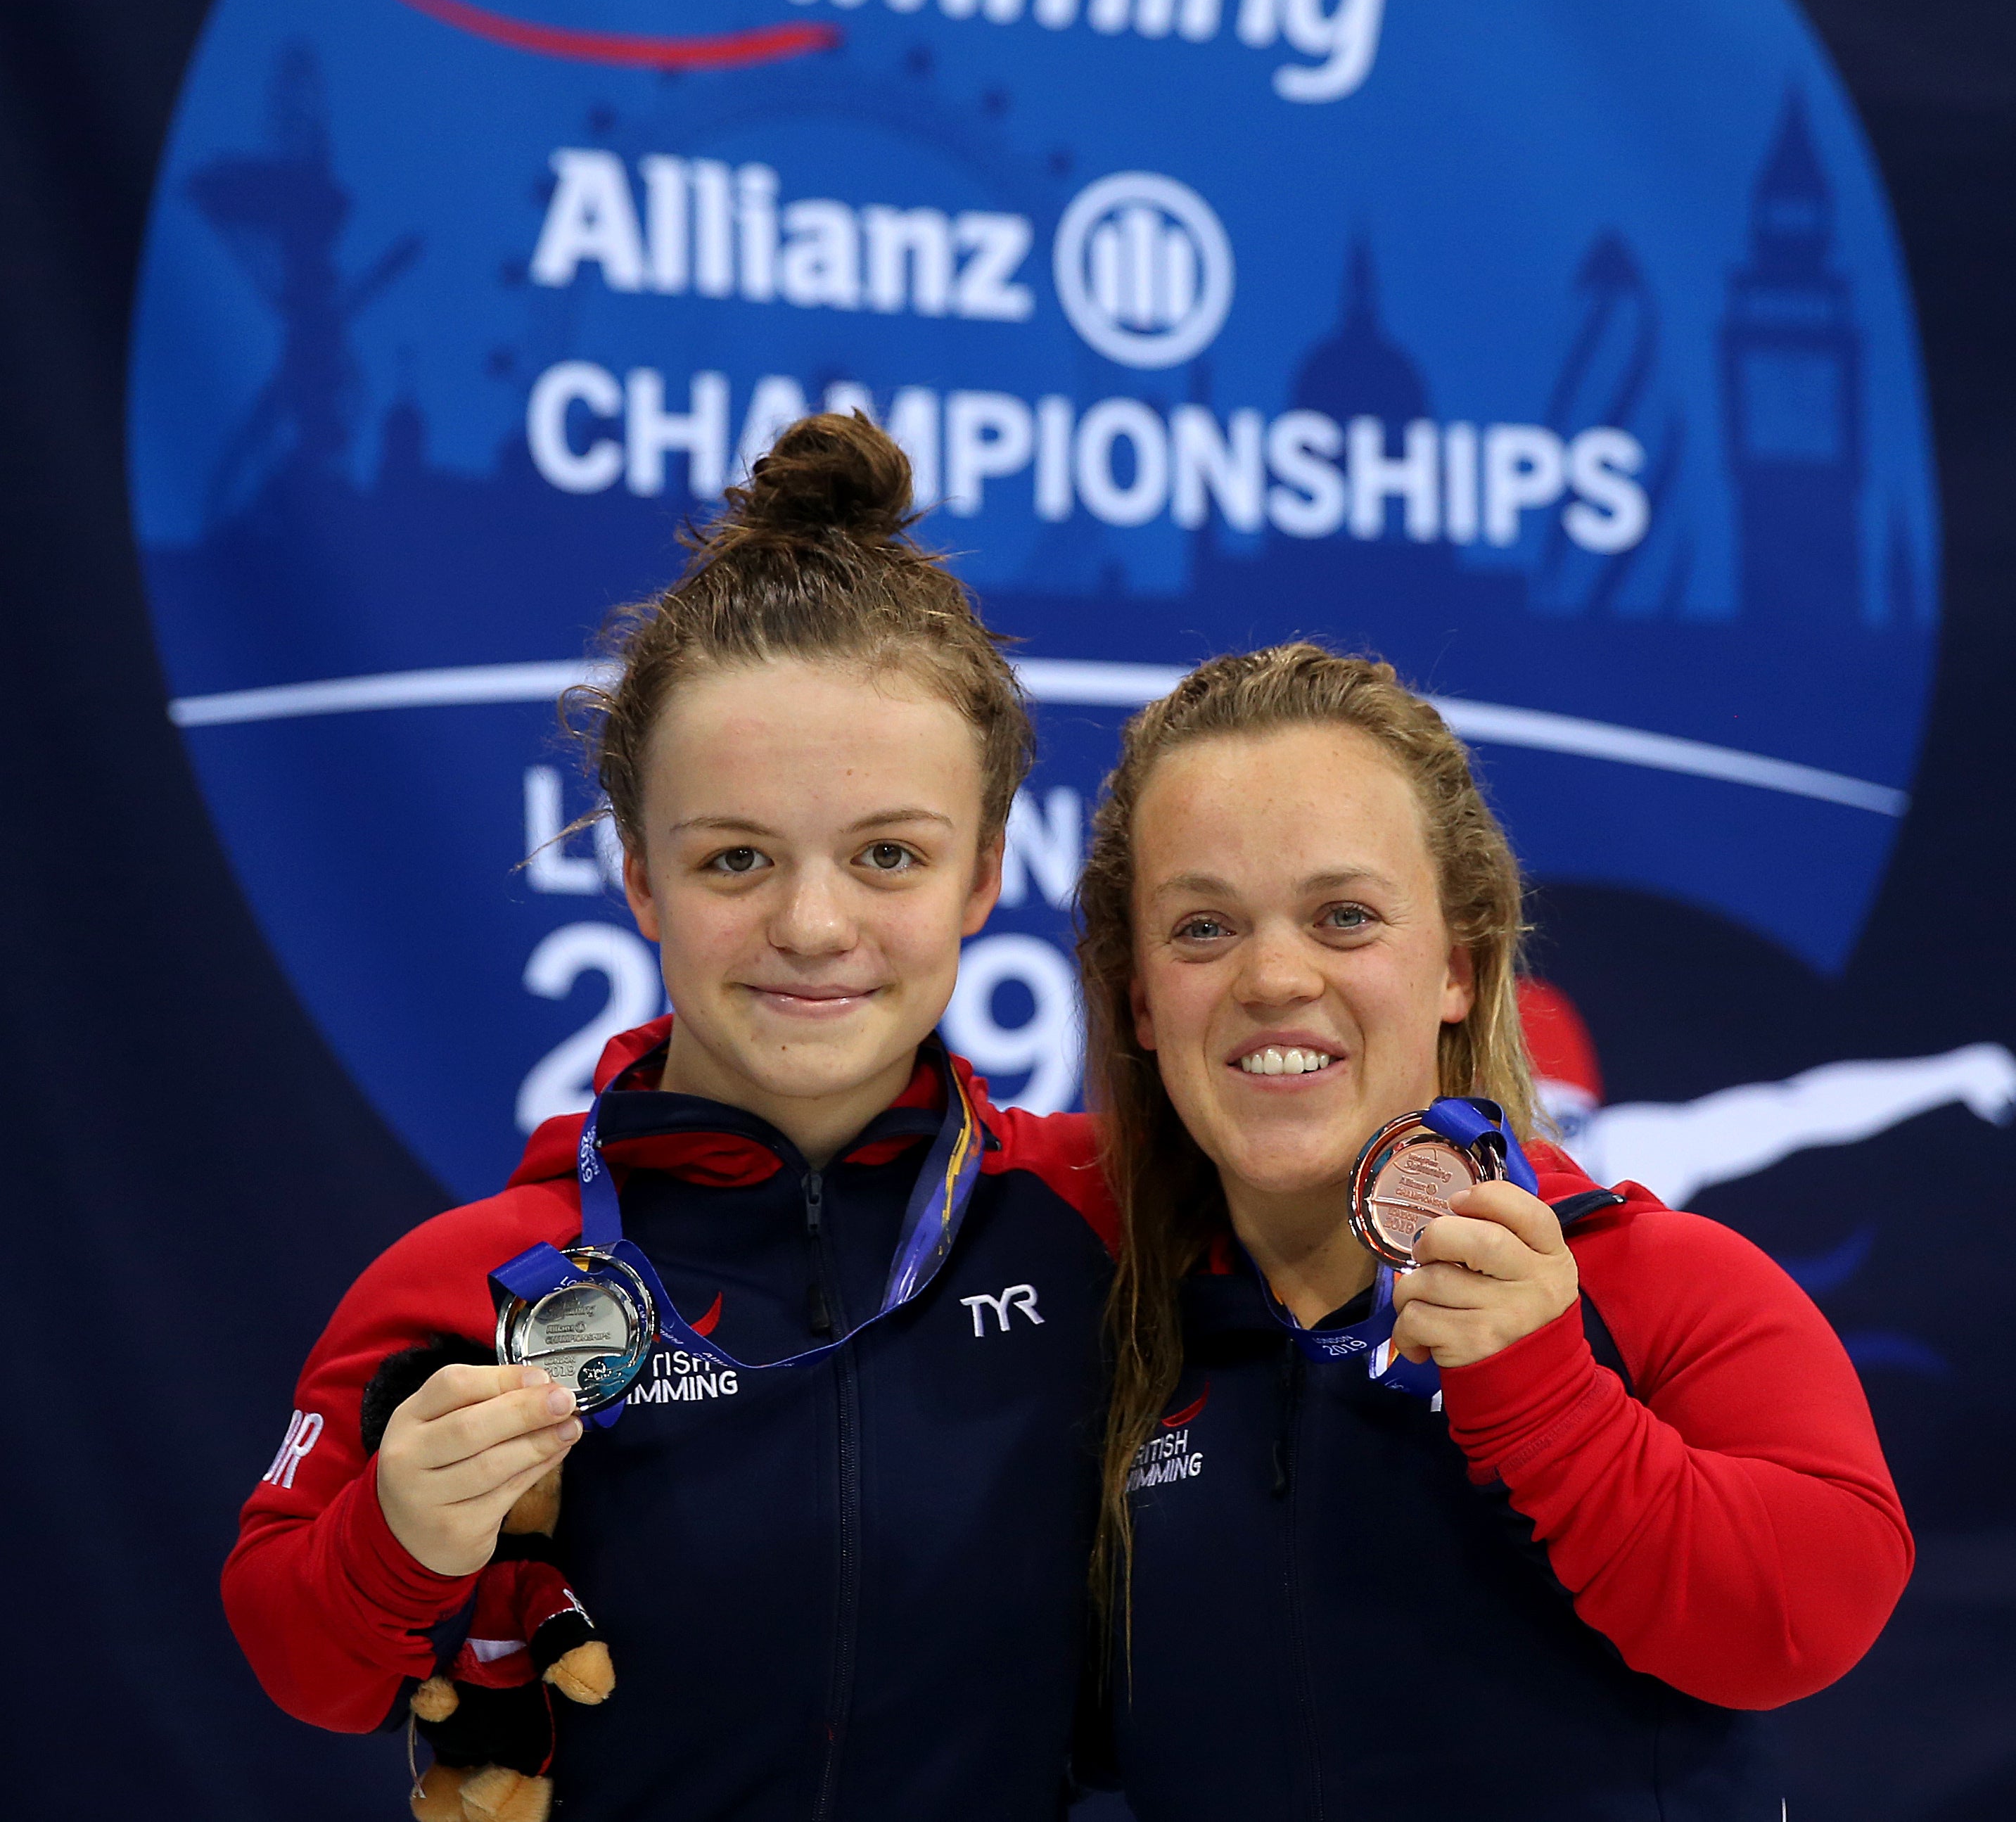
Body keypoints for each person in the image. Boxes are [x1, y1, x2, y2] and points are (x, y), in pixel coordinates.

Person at [224, 413, 1116, 1822]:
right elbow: (303, 1661)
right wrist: (401, 1532)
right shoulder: (476, 1277)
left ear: (982, 873)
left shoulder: (1101, 1216)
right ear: (640, 877)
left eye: (887, 852)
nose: (811, 923)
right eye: (734, 857)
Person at [1078, 642, 1911, 1822]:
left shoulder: (1655, 1281)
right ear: (1139, 1000)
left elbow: (1803, 1625)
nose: (1271, 975)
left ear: (1457, 970)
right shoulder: (1098, 1315)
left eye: (1345, 915)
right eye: (1203, 928)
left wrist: (1548, 1401)